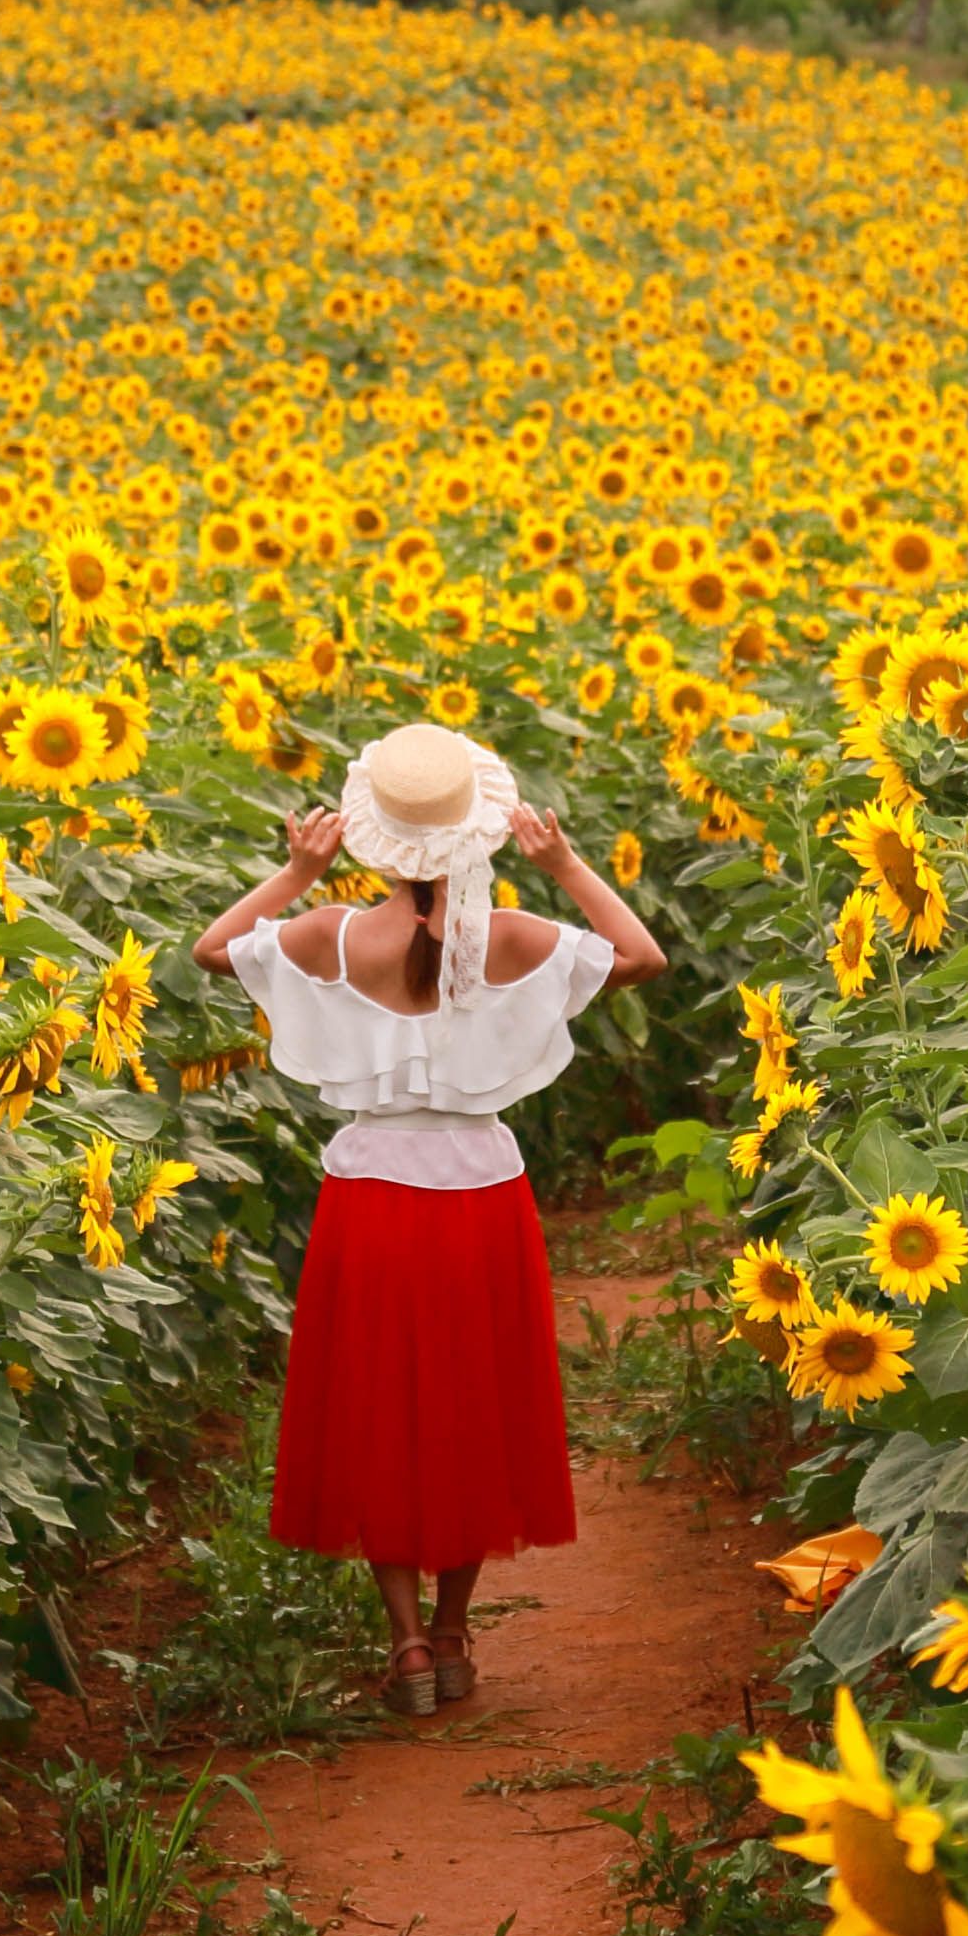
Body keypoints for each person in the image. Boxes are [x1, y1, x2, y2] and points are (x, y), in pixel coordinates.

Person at [191, 724, 665, 1718]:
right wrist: (567, 862)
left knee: (380, 1408)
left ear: (370, 837)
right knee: (471, 1404)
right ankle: (454, 1632)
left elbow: (210, 951)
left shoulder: (329, 933)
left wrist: (292, 871)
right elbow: (641, 956)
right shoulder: (512, 938)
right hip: (481, 1192)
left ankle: (405, 1644)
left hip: (367, 1191)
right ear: (477, 833)